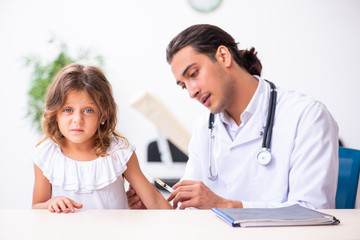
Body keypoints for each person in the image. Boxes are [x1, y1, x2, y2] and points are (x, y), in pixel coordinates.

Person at [127, 24, 339, 210]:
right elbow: (190, 209)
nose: (191, 92)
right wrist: (152, 207)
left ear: (223, 56)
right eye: (183, 86)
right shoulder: (205, 128)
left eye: (193, 74)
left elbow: (313, 211)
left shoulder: (306, 116)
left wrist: (224, 205)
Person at [32, 63, 171, 213]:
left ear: (103, 114)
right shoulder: (46, 154)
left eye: (88, 110)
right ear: (55, 114)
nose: (77, 119)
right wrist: (51, 203)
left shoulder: (120, 152)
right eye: (68, 110)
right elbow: (36, 207)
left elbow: (155, 202)